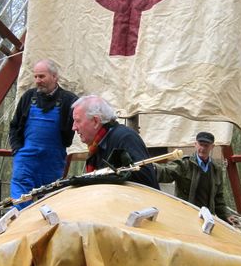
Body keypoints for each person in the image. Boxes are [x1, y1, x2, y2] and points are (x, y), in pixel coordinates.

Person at [9, 59, 78, 206]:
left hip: (52, 163)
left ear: (54, 77)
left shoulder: (69, 100)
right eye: (35, 77)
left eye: (42, 76)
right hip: (25, 161)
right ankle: (23, 227)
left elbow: (81, 123)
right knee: (20, 202)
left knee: (48, 203)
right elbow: (14, 126)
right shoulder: (28, 97)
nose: (37, 81)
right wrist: (17, 150)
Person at [72, 95, 159, 189]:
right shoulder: (96, 145)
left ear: (96, 121)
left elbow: (145, 181)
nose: (74, 127)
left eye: (77, 121)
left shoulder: (125, 138)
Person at [155, 131, 237, 224]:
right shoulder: (184, 164)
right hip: (185, 218)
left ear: (212, 147)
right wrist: (152, 168)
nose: (202, 148)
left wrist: (227, 215)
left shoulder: (216, 169)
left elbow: (218, 199)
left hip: (206, 219)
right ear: (195, 144)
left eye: (206, 145)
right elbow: (166, 172)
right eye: (200, 144)